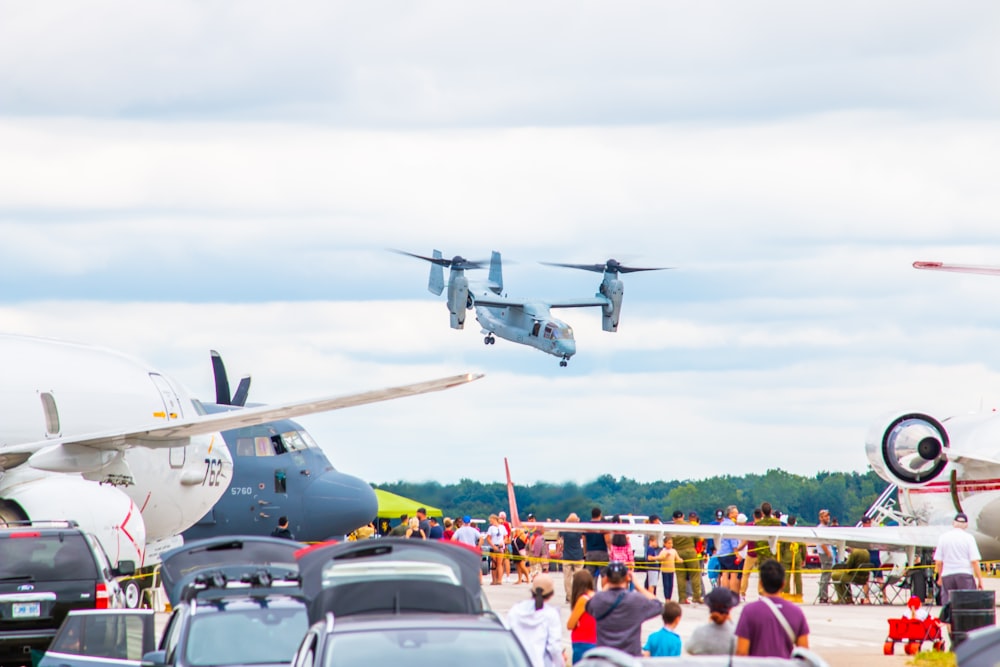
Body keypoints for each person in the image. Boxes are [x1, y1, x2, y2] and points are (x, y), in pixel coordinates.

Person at [585, 560, 663, 656]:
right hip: (630, 657)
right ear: (627, 577)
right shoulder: (636, 600)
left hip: (605, 657)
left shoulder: (599, 599)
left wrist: (606, 586)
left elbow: (588, 606)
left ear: (607, 579)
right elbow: (658, 605)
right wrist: (638, 587)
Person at [735, 559, 809, 657]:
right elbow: (804, 652)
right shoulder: (796, 612)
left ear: (761, 583)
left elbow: (741, 652)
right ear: (783, 584)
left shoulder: (749, 611)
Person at [506, 573, 565, 667]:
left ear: (532, 591)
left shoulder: (515, 610)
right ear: (551, 594)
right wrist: (561, 663)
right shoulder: (551, 614)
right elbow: (554, 648)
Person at [933, 512, 983, 607]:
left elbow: (939, 562)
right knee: (967, 605)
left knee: (948, 605)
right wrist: (980, 580)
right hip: (964, 575)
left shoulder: (943, 537)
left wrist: (940, 578)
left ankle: (949, 621)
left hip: (947, 576)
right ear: (966, 525)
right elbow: (974, 561)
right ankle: (964, 621)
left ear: (953, 523)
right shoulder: (969, 538)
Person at [687, 586, 739, 655]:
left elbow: (689, 648)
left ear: (709, 606)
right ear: (730, 608)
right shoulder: (736, 634)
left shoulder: (699, 632)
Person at [670, 510, 702, 604]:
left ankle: (682, 598)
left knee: (680, 576)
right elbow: (698, 539)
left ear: (673, 518)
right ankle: (697, 596)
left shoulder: (671, 528)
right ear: (683, 516)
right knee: (695, 574)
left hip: (678, 552)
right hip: (690, 551)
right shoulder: (690, 526)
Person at [566, 569, 597, 664]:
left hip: (582, 641)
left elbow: (570, 624)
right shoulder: (597, 597)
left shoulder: (583, 600)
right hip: (596, 640)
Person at [559, 513, 586, 603]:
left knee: (567, 578)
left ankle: (569, 596)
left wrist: (568, 521)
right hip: (578, 556)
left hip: (567, 556)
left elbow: (560, 539)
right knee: (578, 578)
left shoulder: (564, 530)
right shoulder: (578, 530)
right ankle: (578, 595)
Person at [716, 505, 740, 594]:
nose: (737, 515)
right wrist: (736, 553)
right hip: (729, 553)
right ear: (730, 514)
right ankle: (733, 594)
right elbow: (733, 540)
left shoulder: (722, 523)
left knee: (724, 574)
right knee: (733, 574)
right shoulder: (731, 525)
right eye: (736, 513)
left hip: (721, 552)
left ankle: (724, 594)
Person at [649, 537, 680, 601]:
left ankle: (669, 597)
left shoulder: (674, 551)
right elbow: (659, 558)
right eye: (669, 543)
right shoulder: (663, 551)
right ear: (664, 544)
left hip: (671, 571)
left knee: (671, 585)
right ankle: (667, 599)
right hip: (665, 571)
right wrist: (664, 556)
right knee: (666, 585)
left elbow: (677, 558)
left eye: (671, 543)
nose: (670, 544)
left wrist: (680, 560)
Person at [583, 507, 610, 581]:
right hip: (602, 552)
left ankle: (591, 591)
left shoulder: (586, 526)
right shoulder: (603, 526)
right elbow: (607, 540)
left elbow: (584, 540)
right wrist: (611, 550)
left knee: (590, 576)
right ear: (600, 515)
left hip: (590, 552)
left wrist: (585, 552)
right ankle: (605, 591)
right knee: (604, 575)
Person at [816, 509, 833, 604]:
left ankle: (823, 594)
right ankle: (823, 596)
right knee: (826, 575)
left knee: (826, 575)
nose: (828, 518)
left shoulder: (826, 528)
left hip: (827, 552)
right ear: (821, 518)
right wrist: (828, 553)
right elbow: (821, 542)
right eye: (825, 516)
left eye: (828, 516)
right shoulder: (821, 528)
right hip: (825, 553)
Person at [486, 514, 507, 585]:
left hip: (500, 546)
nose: (490, 522)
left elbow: (506, 537)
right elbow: (488, 538)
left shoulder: (502, 527)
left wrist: (503, 542)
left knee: (499, 564)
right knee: (494, 564)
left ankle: (499, 579)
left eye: (491, 520)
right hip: (493, 546)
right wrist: (493, 545)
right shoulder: (491, 528)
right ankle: (494, 579)